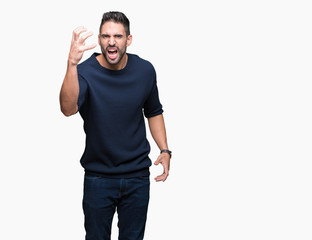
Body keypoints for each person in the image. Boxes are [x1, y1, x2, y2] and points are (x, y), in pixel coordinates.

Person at [59, 11, 171, 240]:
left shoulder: (145, 70)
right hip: (98, 178)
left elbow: (154, 112)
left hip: (137, 177)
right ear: (100, 40)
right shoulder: (85, 72)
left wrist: (165, 149)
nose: (111, 42)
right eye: (106, 36)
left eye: (118, 36)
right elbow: (68, 109)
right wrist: (71, 64)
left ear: (128, 40)